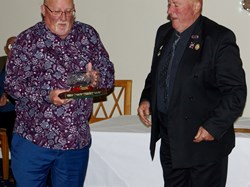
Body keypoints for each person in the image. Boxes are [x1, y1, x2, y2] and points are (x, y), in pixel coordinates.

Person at [4, 0, 114, 186]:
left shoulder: (88, 35)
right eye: (56, 11)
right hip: (33, 141)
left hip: (74, 143)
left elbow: (108, 74)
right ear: (43, 10)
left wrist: (97, 79)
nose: (63, 17)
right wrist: (46, 96)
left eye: (68, 11)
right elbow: (12, 84)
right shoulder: (27, 40)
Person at [137, 0, 247, 186]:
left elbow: (235, 92)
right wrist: (147, 98)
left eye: (176, 5)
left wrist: (213, 127)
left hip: (203, 145)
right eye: (169, 3)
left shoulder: (218, 37)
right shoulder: (163, 33)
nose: (170, 11)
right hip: (170, 140)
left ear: (196, 6)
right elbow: (156, 74)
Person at [0, 36, 16, 148]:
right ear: (6, 49)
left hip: (13, 110)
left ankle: (16, 164)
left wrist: (7, 97)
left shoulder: (27, 65)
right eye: (11, 46)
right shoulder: (1, 63)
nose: (14, 48)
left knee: (13, 125)